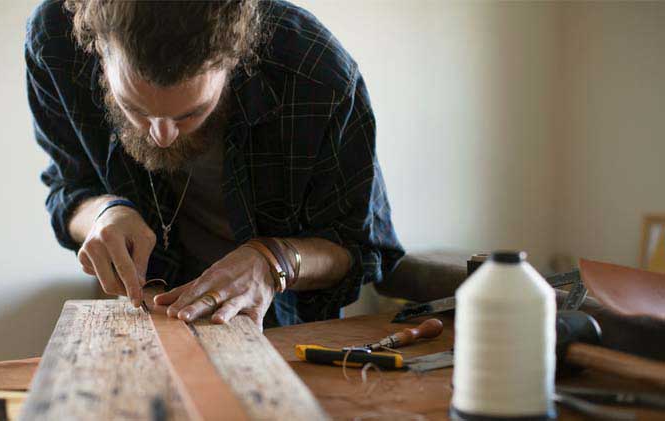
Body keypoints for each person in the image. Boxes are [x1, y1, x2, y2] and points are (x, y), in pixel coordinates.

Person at [25, 0, 403, 330]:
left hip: (276, 326)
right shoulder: (55, 41)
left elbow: (360, 249)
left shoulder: (317, 75)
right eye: (134, 108)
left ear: (239, 55)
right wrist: (103, 213)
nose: (162, 136)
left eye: (192, 113)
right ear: (95, 47)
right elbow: (69, 189)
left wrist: (274, 261)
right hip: (146, 322)